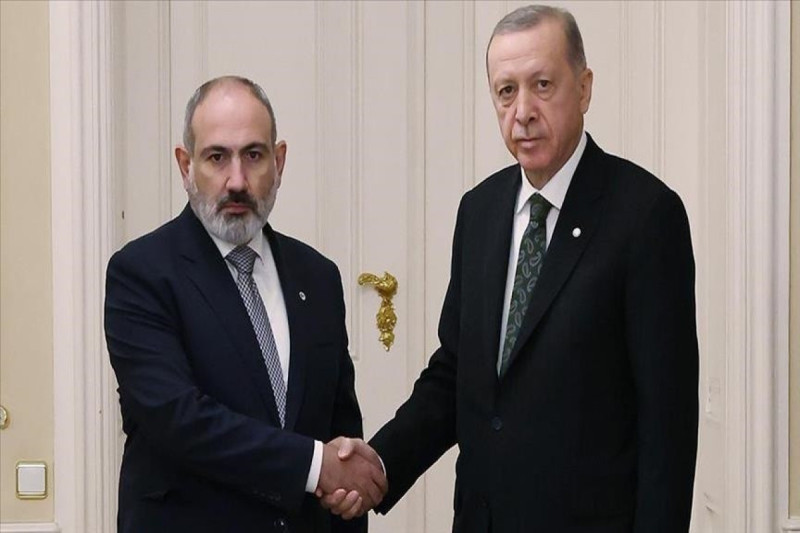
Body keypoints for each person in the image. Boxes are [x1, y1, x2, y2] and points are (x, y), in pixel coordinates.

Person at [326, 5, 699, 532]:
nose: (522, 111)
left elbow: (668, 426)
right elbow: (456, 373)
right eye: (506, 91)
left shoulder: (646, 216)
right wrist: (380, 464)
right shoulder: (479, 211)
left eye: (542, 85)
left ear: (584, 88)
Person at [104, 76, 386, 533]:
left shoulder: (318, 277)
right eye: (217, 157)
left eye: (253, 155)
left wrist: (350, 489)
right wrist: (315, 465)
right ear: (185, 165)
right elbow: (179, 420)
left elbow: (340, 433)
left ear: (279, 161)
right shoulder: (141, 273)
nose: (236, 181)